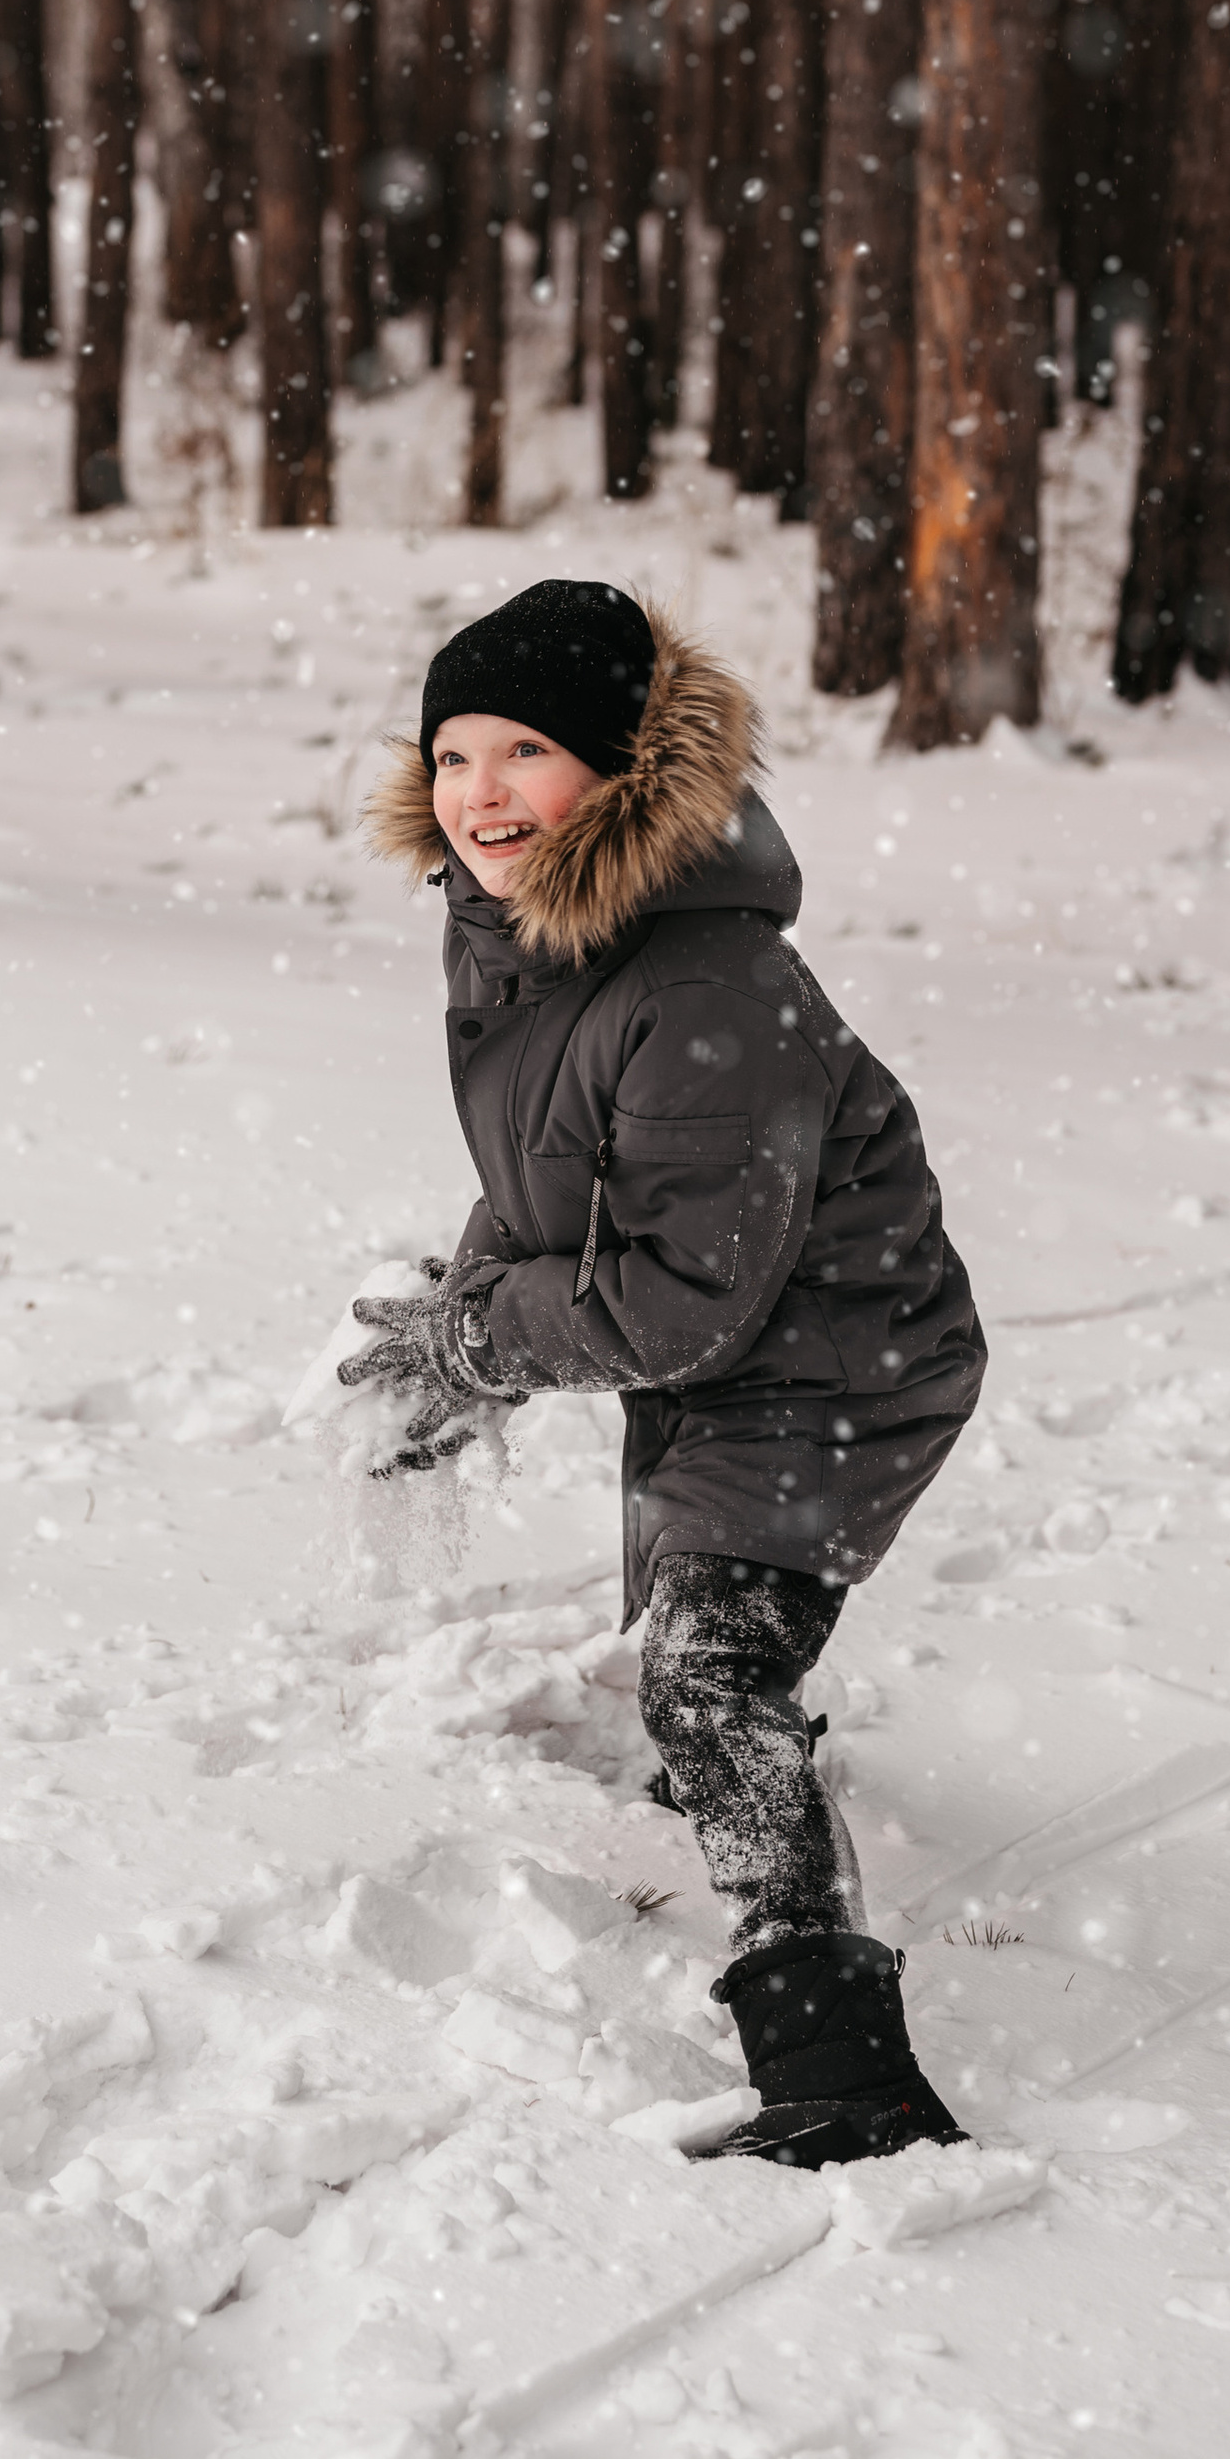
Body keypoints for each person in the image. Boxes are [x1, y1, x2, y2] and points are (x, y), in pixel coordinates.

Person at [339, 579, 986, 2169]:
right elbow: (557, 1170)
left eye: (526, 752)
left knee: (710, 1673)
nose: (478, 793)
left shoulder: (703, 987)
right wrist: (469, 1308)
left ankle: (849, 2084)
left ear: (624, 769)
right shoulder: (517, 927)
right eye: (454, 753)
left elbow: (687, 1296)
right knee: (701, 1646)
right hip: (736, 1348)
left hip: (840, 1360)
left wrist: (484, 1339)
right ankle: (733, 1763)